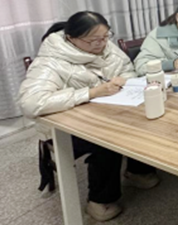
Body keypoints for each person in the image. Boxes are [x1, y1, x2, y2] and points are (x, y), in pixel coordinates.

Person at [18, 12, 159, 222]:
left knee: (143, 119)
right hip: (65, 127)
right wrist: (90, 93)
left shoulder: (106, 47)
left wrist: (122, 80)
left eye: (105, 37)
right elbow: (30, 103)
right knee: (107, 140)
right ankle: (100, 201)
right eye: (93, 40)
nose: (101, 44)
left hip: (108, 112)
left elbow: (128, 70)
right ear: (71, 38)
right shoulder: (50, 62)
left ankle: (137, 171)